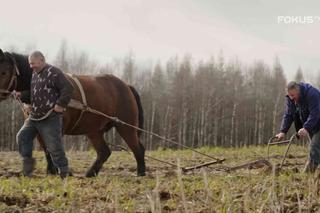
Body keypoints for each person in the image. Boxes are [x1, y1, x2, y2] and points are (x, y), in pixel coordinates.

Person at [15, 51, 74, 178]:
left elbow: (68, 88)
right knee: (22, 137)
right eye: (30, 64)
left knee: (53, 147)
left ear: (42, 60)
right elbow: (34, 96)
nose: (31, 66)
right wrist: (22, 95)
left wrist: (60, 105)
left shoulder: (54, 72)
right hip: (34, 116)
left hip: (50, 117)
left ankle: (64, 172)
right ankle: (27, 168)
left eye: (33, 63)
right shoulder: (34, 75)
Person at [276, 81, 320, 173]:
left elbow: (315, 114)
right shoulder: (290, 98)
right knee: (316, 148)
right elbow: (288, 114)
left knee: (314, 147)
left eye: (293, 95)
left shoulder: (312, 94)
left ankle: (307, 175)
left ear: (298, 91)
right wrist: (283, 131)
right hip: (312, 125)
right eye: (289, 95)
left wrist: (306, 127)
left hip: (317, 122)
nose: (291, 98)